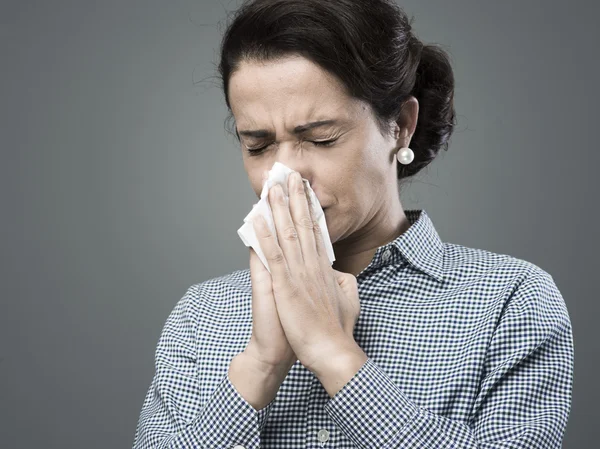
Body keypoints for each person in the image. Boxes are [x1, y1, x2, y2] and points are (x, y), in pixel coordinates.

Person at [131, 0, 574, 447]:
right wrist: (260, 368)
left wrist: (334, 354)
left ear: (400, 125)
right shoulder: (202, 315)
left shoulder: (511, 302)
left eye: (320, 138)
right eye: (258, 145)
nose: (283, 176)